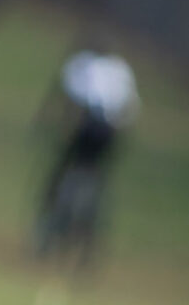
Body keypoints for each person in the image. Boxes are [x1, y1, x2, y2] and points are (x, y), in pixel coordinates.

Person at [32, 47, 141, 262]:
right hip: (110, 134)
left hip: (87, 128)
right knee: (96, 180)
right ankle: (89, 243)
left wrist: (52, 127)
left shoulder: (82, 64)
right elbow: (130, 112)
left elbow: (68, 102)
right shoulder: (121, 69)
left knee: (61, 173)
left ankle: (51, 232)